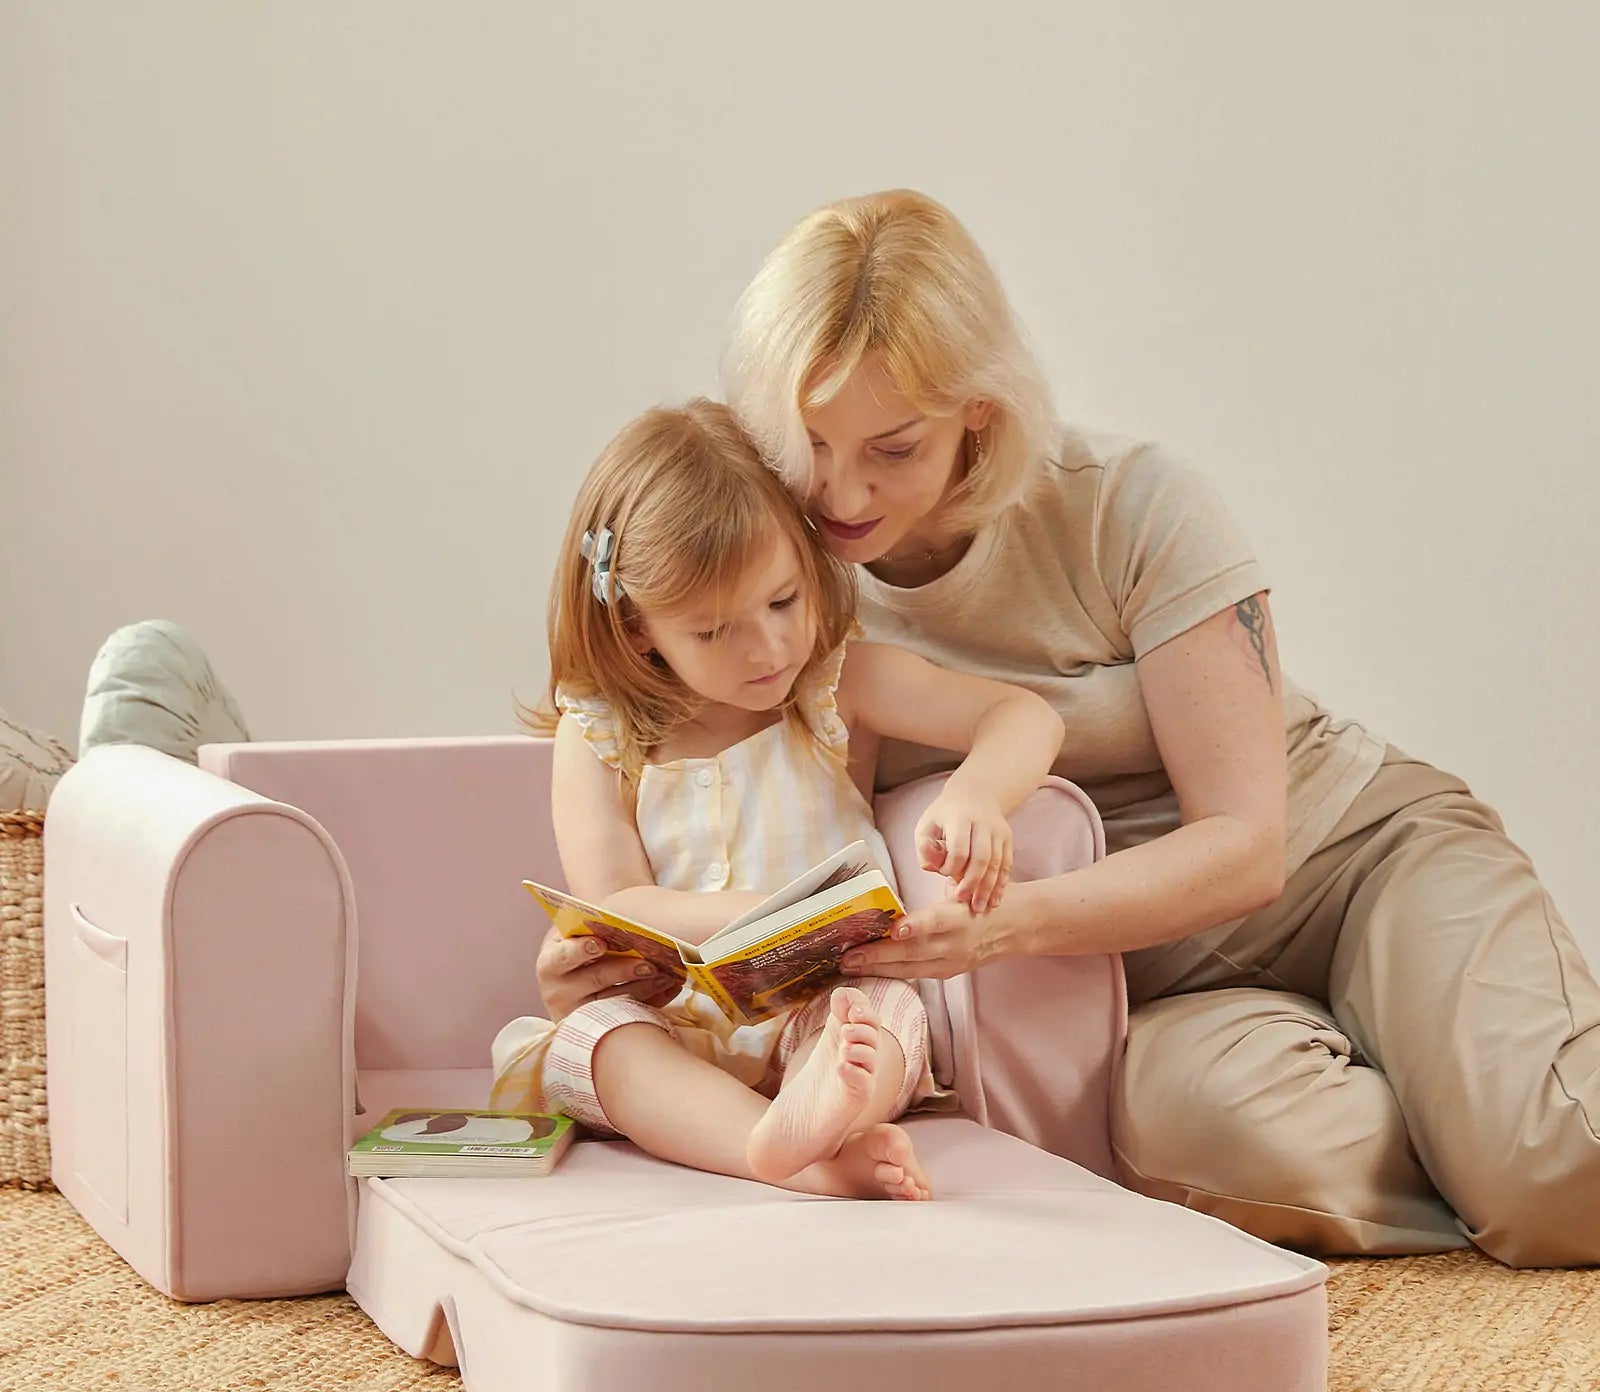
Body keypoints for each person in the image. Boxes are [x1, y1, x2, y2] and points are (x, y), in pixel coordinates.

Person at [537, 190, 1600, 1269]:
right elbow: (668, 745)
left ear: (977, 413)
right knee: (1189, 1145)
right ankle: (1465, 1117)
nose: (841, 490)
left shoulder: (1132, 507)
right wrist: (622, 955)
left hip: (1353, 859)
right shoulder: (782, 586)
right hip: (1151, 979)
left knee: (1551, 1172)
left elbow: (1247, 844)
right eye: (808, 442)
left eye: (894, 448)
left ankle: (1502, 1125)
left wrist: (999, 927)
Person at [491, 399, 1064, 1201]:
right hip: (680, 1027)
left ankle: (822, 1110)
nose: (767, 649)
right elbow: (613, 897)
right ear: (636, 630)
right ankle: (784, 1153)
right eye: (714, 631)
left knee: (881, 1014)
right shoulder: (600, 732)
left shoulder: (835, 687)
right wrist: (766, 912)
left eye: (784, 601)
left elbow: (1022, 716)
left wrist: (977, 796)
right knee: (594, 1041)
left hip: (822, 1006)